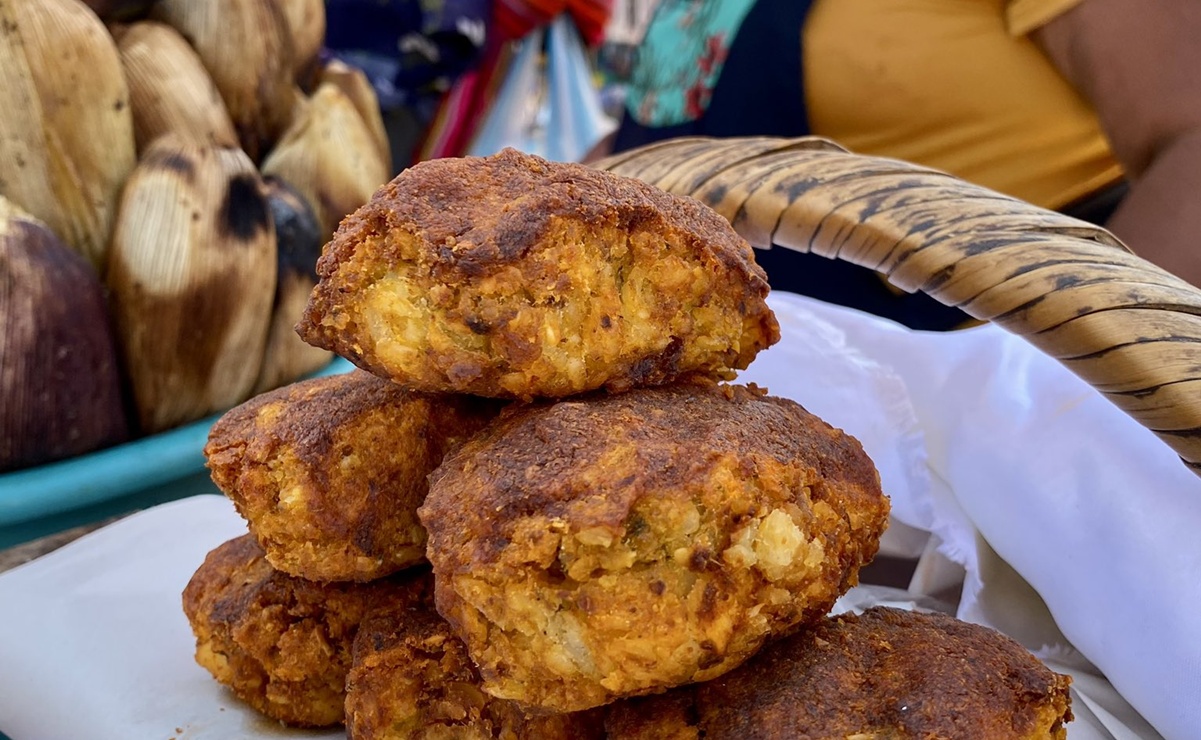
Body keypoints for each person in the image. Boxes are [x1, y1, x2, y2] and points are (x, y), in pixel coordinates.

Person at [604, 0, 1201, 329]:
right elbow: (653, 136)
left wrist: (1061, 422)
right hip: (706, 409)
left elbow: (1189, 142)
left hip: (951, 462)